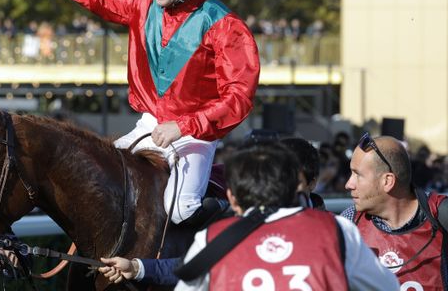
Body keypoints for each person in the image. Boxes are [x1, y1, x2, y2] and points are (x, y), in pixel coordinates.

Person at [52, 0, 260, 226]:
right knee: (93, 181)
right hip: (150, 124)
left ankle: (230, 227)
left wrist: (184, 126)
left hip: (196, 135)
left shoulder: (224, 25)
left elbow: (239, 98)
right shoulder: (139, 3)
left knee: (180, 210)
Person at [99, 142, 398, 290]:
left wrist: (138, 267)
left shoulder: (215, 238)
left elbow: (186, 272)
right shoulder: (337, 231)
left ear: (232, 196)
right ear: (293, 186)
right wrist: (138, 267)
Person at [342, 133, 448, 290]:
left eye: (358, 175)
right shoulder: (349, 222)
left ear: (387, 181)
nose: (348, 184)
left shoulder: (440, 213)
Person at [280, 137, 326, 209]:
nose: (284, 188)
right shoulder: (261, 218)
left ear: (312, 184)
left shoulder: (331, 220)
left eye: (292, 181)